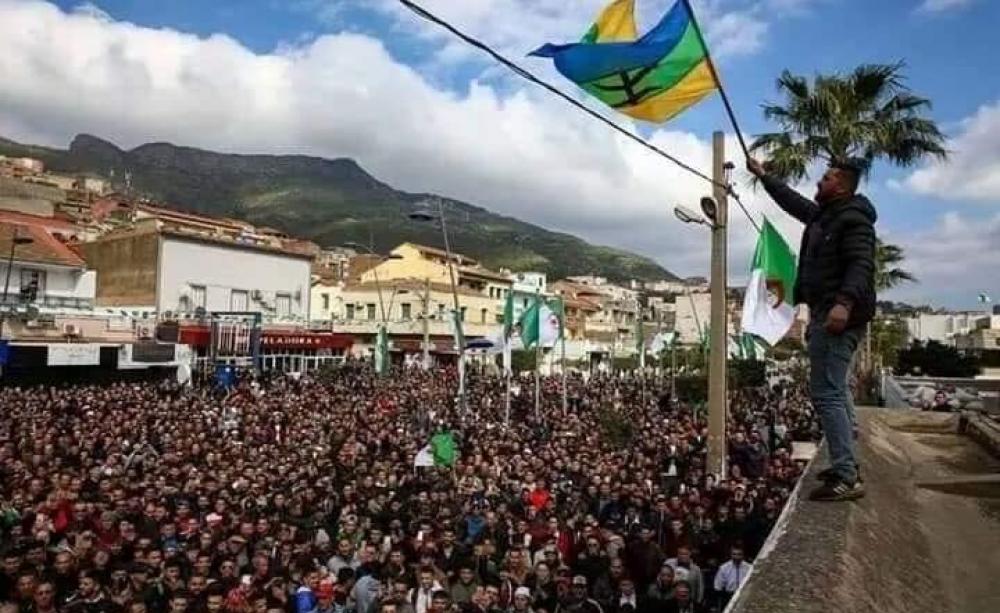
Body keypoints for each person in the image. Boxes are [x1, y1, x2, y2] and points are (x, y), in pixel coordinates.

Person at [748, 156, 876, 501]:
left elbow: (861, 264)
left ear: (842, 185)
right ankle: (845, 463)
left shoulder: (853, 219)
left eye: (827, 178)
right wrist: (766, 177)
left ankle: (847, 476)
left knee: (828, 393)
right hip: (825, 311)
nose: (820, 182)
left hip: (838, 316)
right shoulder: (826, 215)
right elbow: (795, 203)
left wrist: (844, 303)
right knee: (836, 390)